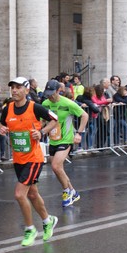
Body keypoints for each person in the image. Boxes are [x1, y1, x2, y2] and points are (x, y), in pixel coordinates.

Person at [0, 77, 59, 246]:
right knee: (32, 194)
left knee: (19, 194)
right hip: (18, 158)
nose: (14, 91)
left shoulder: (35, 107)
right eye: (12, 88)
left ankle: (30, 229)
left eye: (18, 87)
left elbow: (54, 119)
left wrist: (42, 132)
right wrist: (1, 129)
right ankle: (48, 221)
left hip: (34, 158)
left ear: (26, 90)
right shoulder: (8, 108)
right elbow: (1, 124)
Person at [42, 79, 89, 207]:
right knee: (58, 170)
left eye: (52, 93)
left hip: (66, 139)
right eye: (48, 93)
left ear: (59, 91)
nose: (50, 96)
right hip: (53, 139)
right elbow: (42, 120)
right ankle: (73, 191)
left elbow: (84, 115)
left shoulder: (68, 103)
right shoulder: (46, 103)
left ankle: (67, 191)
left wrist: (79, 133)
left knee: (56, 166)